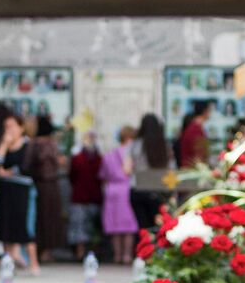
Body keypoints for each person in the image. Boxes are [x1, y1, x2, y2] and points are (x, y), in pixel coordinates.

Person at [0, 112, 39, 271]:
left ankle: (33, 262)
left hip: (23, 189)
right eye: (6, 127)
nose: (9, 130)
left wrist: (10, 172)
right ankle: (8, 260)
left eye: (11, 126)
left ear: (21, 127)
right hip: (6, 189)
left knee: (25, 225)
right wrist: (4, 144)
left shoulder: (28, 145)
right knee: (6, 224)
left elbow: (28, 165)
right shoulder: (4, 143)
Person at [101, 126, 140, 264]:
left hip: (111, 189)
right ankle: (127, 255)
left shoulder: (109, 154)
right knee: (128, 224)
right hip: (126, 189)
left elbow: (103, 174)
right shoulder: (130, 153)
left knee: (115, 225)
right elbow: (130, 171)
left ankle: (117, 255)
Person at [31, 116, 67, 259]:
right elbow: (60, 162)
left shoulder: (33, 144)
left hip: (36, 183)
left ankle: (38, 249)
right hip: (50, 184)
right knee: (49, 218)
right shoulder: (50, 144)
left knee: (38, 218)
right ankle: (46, 250)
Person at [131, 112, 173, 231]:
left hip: (137, 188)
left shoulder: (135, 145)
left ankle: (144, 248)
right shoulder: (164, 145)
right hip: (157, 189)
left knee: (143, 229)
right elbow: (170, 169)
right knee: (158, 226)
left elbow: (127, 168)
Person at [67, 130, 103, 261]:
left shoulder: (98, 158)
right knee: (80, 225)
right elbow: (72, 176)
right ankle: (81, 251)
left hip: (92, 196)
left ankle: (91, 251)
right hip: (81, 196)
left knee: (92, 226)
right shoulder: (78, 158)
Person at [176, 99, 215, 167]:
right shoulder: (195, 130)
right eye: (210, 110)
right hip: (192, 170)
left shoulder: (194, 127)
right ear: (205, 111)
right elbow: (199, 155)